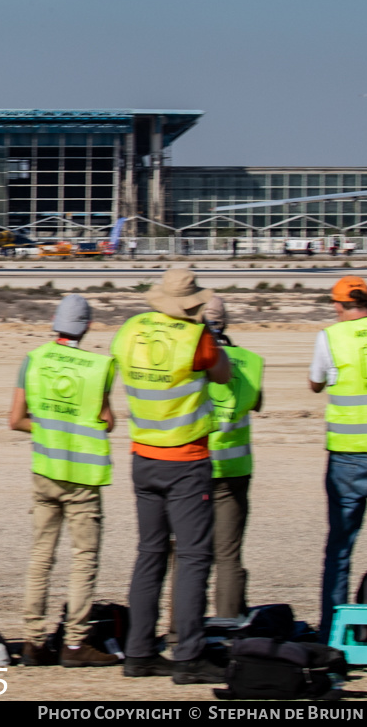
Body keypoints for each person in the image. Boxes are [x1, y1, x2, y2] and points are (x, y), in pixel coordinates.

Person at [110, 267, 230, 684]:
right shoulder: (196, 340)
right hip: (186, 458)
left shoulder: (129, 329)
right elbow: (224, 373)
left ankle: (139, 653)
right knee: (195, 557)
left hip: (143, 455)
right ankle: (189, 655)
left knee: (150, 554)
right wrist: (206, 329)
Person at [8, 294, 120, 668]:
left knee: (41, 557)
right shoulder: (98, 365)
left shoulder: (34, 359)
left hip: (45, 471)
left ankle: (34, 641)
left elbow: (16, 419)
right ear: (87, 326)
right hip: (82, 477)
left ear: (55, 322)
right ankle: (74, 642)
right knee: (83, 558)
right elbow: (106, 420)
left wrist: (49, 431)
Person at [312, 276, 367, 638]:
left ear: (339, 305)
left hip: (347, 457)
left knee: (340, 547)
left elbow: (316, 381)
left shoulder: (330, 337)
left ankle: (330, 631)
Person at [204, 295, 262, 619]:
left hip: (196, 464)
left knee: (188, 553)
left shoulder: (195, 358)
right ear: (225, 322)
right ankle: (228, 623)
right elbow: (257, 402)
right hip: (235, 468)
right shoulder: (249, 361)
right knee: (228, 553)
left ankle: (180, 630)